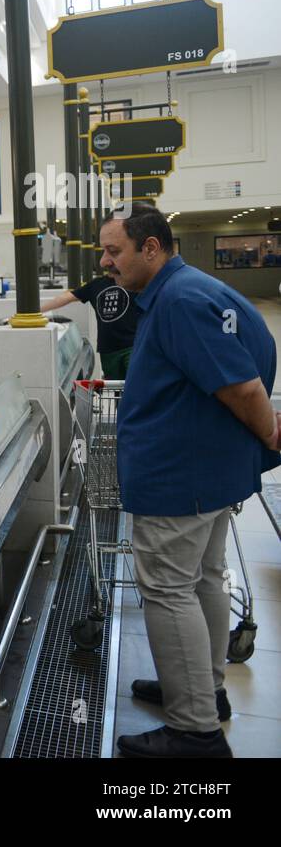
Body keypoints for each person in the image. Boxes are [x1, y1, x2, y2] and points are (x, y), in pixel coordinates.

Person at [104, 204, 280, 758]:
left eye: (115, 251)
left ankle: (194, 731)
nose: (106, 263)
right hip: (208, 471)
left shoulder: (179, 302)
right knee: (204, 579)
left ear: (151, 248)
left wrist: (270, 434)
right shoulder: (196, 289)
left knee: (167, 591)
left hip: (180, 476)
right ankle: (206, 692)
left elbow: (246, 388)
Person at [42, 275, 139, 379]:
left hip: (132, 347)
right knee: (115, 389)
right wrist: (36, 310)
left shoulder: (133, 281)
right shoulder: (96, 284)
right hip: (108, 350)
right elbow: (67, 297)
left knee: (136, 382)